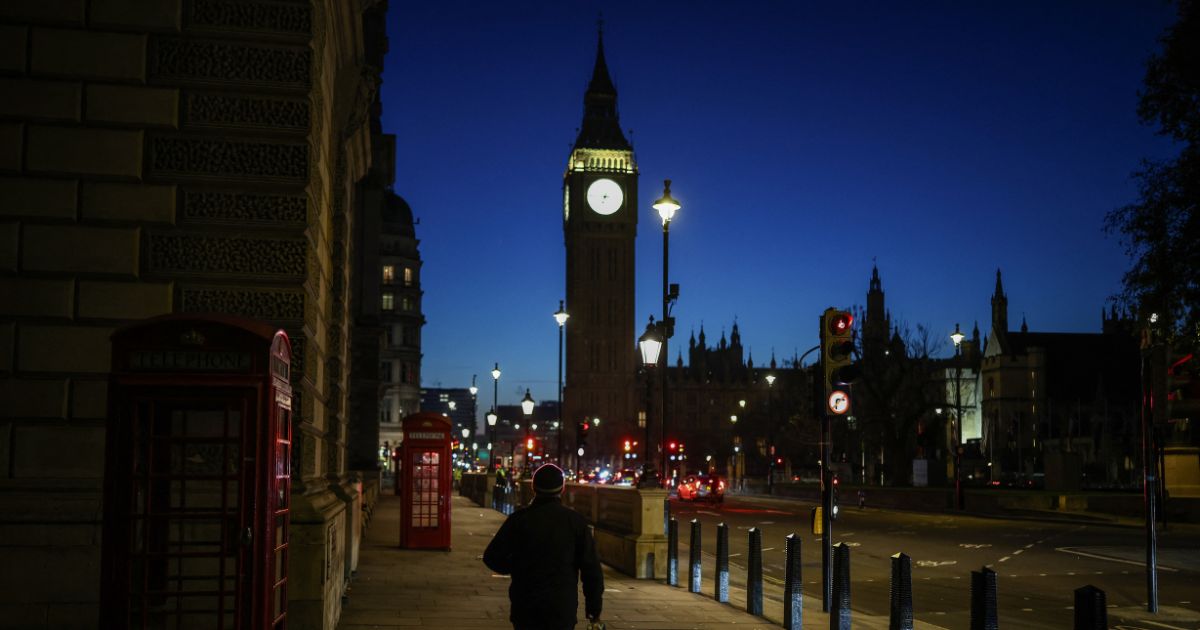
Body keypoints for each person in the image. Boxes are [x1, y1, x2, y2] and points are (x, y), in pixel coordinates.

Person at [483, 464, 604, 630]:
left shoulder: (519, 519)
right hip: (561, 606)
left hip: (525, 603)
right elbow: (592, 570)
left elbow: (491, 557)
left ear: (533, 488)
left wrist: (516, 566)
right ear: (562, 489)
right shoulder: (575, 522)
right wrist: (594, 612)